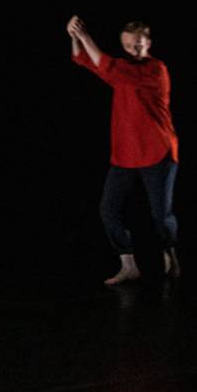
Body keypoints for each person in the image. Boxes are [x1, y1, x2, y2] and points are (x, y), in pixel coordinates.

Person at [67, 15, 182, 285]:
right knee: (108, 209)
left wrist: (84, 36)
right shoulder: (121, 71)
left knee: (160, 215)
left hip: (157, 151)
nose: (135, 50)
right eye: (130, 46)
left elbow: (103, 63)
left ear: (148, 43)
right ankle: (128, 264)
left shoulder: (155, 70)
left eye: (139, 45)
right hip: (125, 154)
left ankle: (171, 255)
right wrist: (74, 35)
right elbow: (85, 59)